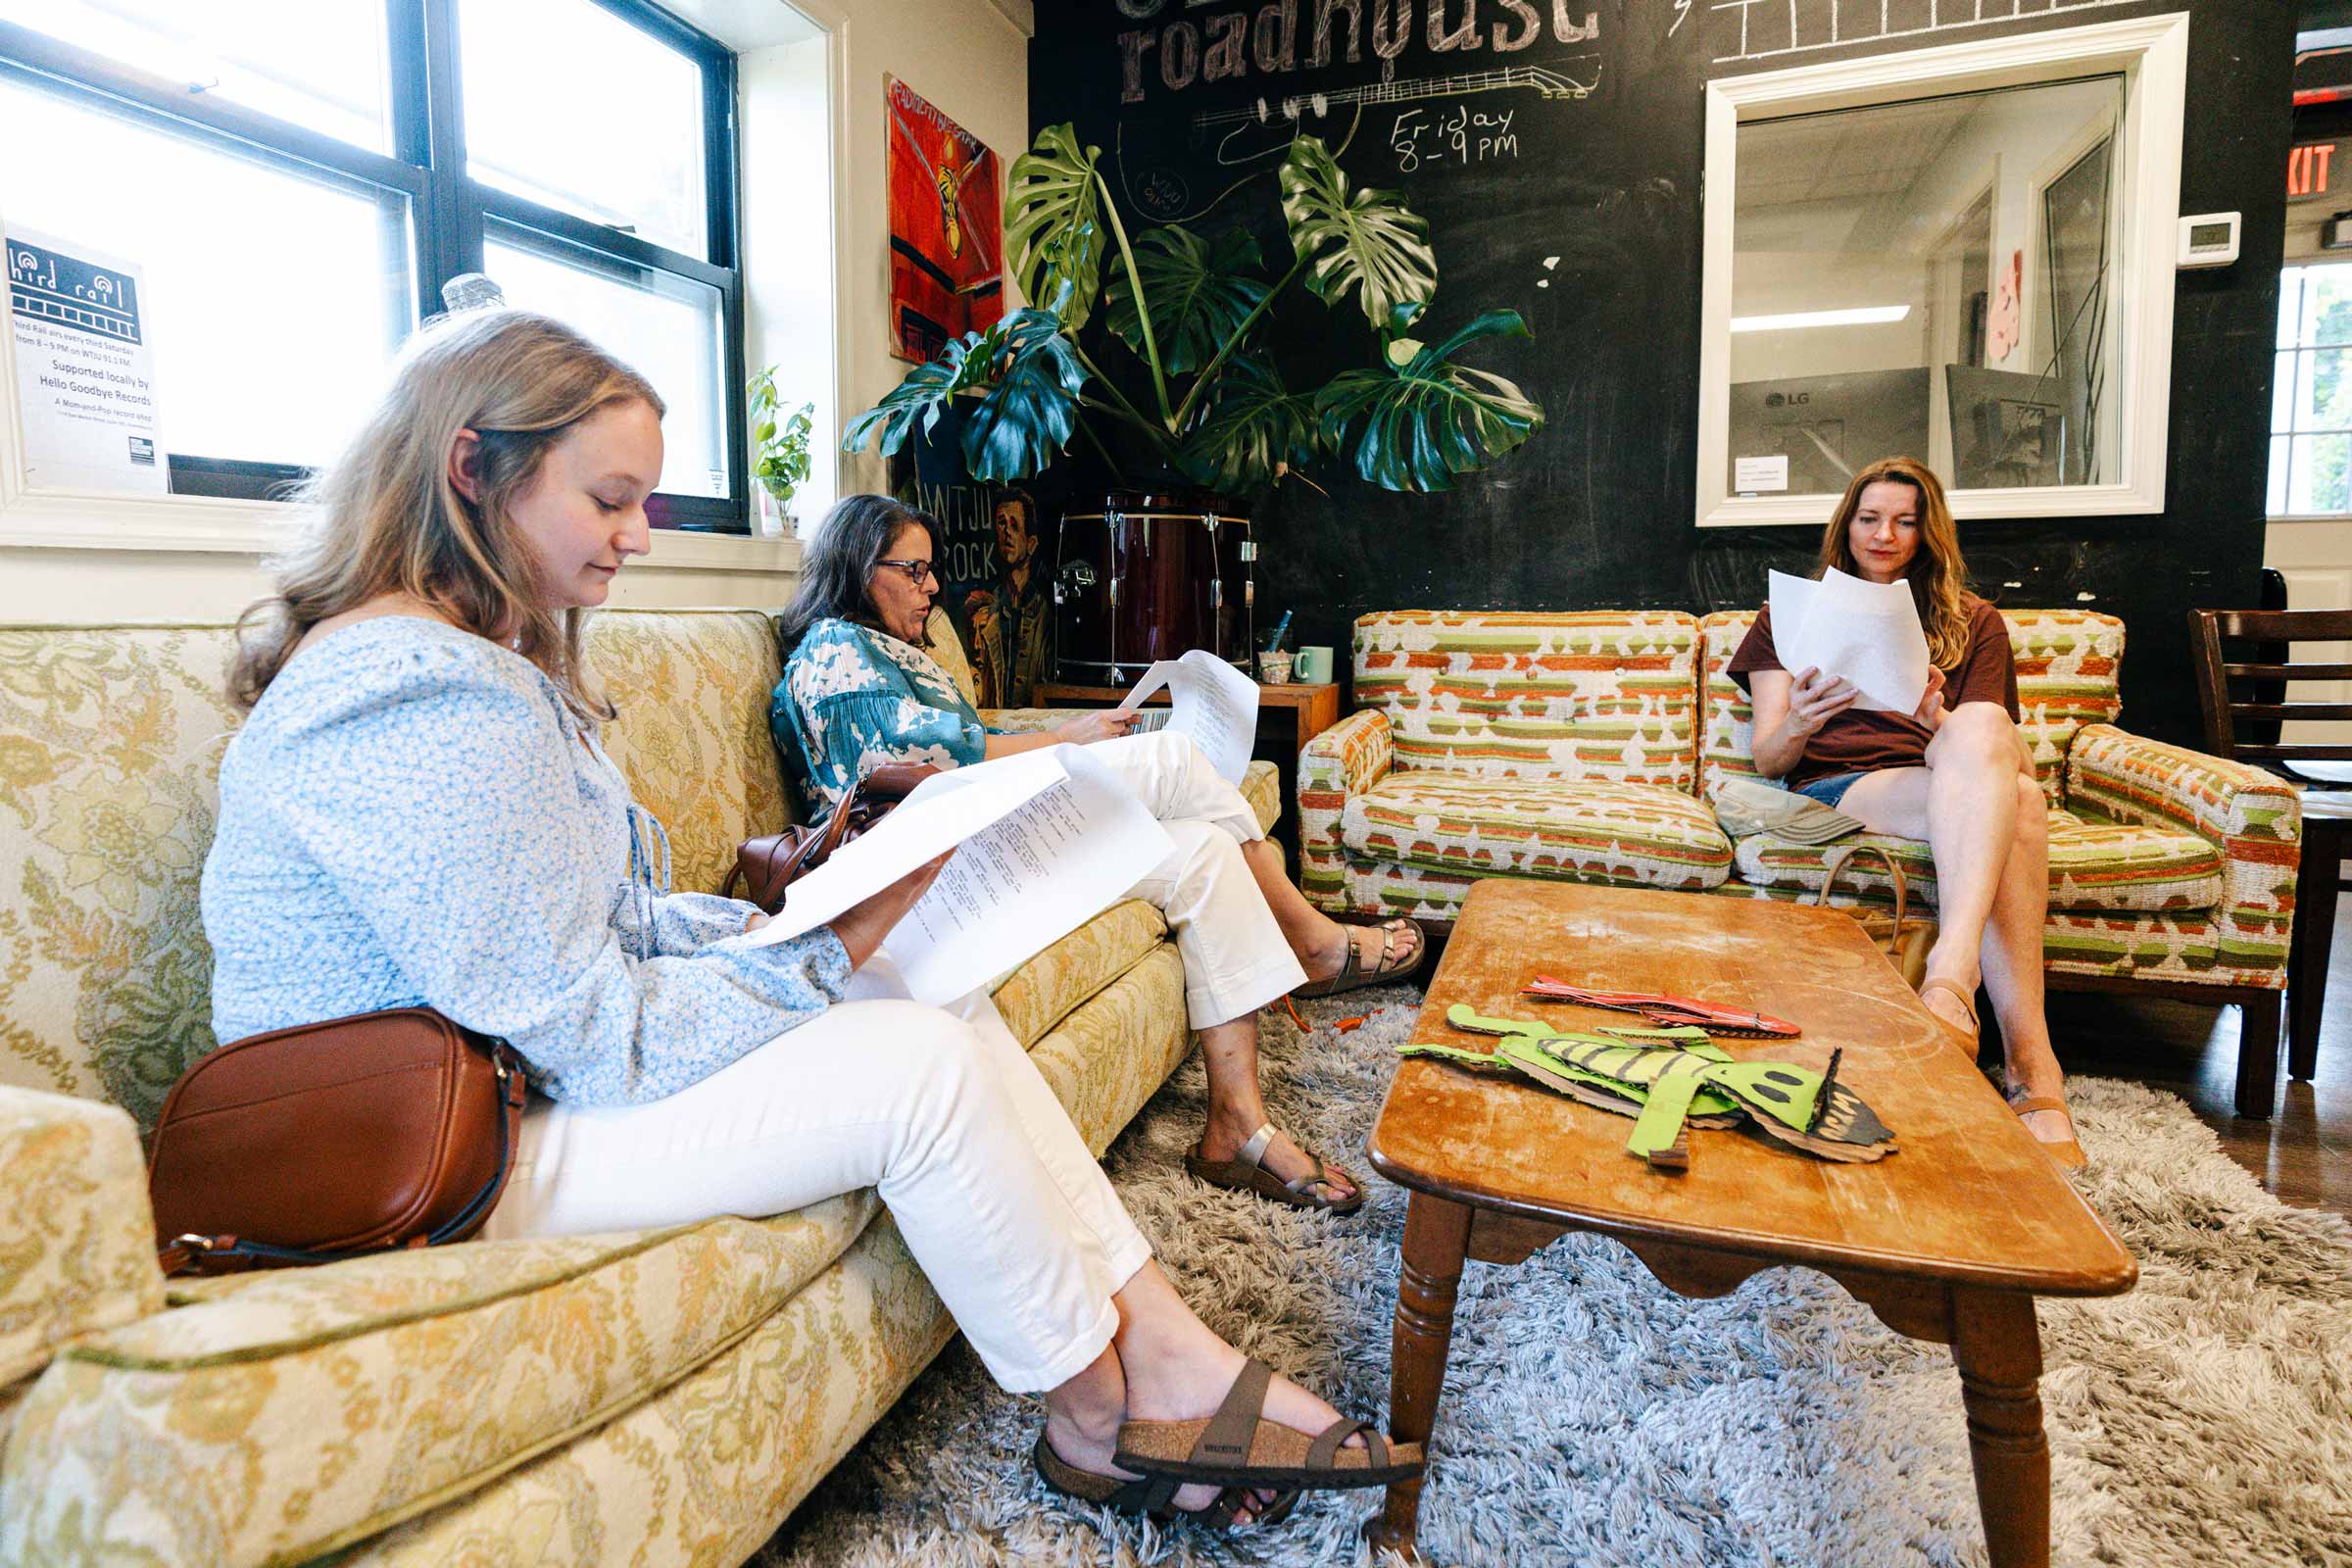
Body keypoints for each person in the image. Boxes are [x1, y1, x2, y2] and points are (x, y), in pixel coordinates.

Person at [197, 310, 1417, 1530]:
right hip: (436, 1146)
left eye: (647, 501)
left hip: (515, 1070)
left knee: (922, 989)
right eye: (612, 498)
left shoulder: (475, 659)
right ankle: (1099, 1414)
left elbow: (583, 926)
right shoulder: (404, 695)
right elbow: (588, 1032)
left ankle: (1160, 1352)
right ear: (473, 471)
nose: (640, 535)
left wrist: (769, 930)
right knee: (917, 1068)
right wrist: (822, 948)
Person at [770, 494, 1427, 1214]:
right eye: (915, 571)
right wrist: (1067, 740)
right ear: (859, 569)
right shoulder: (833, 647)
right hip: (931, 877)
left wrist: (1066, 736)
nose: (933, 587)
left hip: (980, 834)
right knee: (1175, 759)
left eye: (932, 571)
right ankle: (1316, 942)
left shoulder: (892, 650)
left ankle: (1236, 1126)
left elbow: (965, 739)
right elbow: (916, 759)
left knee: (1204, 852)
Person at [1727, 455, 2084, 1168]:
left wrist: (1939, 725)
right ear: (1846, 526)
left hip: (1942, 776)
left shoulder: (1973, 622)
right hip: (1843, 784)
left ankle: (1952, 975)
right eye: (1869, 518)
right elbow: (1771, 758)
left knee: (1994, 750)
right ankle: (2032, 1072)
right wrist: (1799, 718)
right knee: (2020, 806)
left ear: (1929, 533)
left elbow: (2004, 754)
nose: (1884, 534)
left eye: (1904, 521)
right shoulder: (1788, 618)